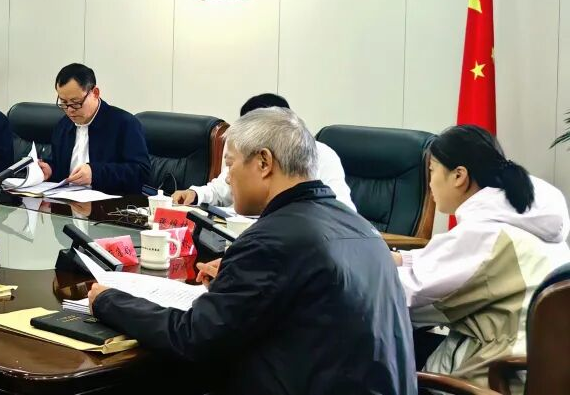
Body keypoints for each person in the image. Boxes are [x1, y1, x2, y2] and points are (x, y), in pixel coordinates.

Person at [88, 108, 416, 395]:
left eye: (230, 164)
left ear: (263, 162)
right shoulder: (362, 229)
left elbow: (194, 337)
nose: (227, 179)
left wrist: (108, 300)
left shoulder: (274, 239)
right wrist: (236, 276)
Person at [395, 125, 570, 386]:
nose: (429, 184)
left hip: (491, 377)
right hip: (539, 372)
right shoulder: (528, 221)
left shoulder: (484, 235)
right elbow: (455, 267)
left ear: (459, 176)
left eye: (431, 171)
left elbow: (406, 295)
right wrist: (402, 258)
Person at [172, 93, 355, 211]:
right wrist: (197, 194)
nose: (229, 177)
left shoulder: (322, 154)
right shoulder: (246, 152)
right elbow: (224, 186)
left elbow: (342, 210)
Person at [38, 63, 149, 194]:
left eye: (76, 102)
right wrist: (50, 169)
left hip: (109, 203)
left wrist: (95, 173)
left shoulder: (124, 124)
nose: (70, 110)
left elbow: (141, 172)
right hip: (66, 201)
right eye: (64, 102)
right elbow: (62, 168)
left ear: (95, 93)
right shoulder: (63, 125)